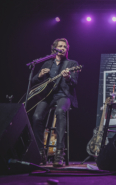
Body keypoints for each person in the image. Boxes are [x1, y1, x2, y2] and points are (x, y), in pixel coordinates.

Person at [32, 38, 79, 167]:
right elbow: (33, 82)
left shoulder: (72, 64)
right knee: (36, 117)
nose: (63, 48)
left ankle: (59, 153)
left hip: (64, 96)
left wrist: (68, 77)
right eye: (60, 46)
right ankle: (40, 152)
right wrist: (40, 75)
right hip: (48, 96)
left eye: (65, 47)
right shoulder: (47, 64)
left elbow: (74, 83)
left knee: (59, 111)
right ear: (54, 49)